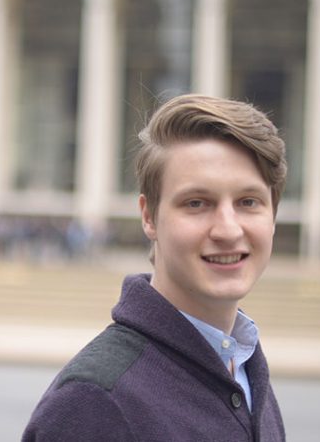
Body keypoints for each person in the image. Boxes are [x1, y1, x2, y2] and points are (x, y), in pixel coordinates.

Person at [23, 94, 288, 441]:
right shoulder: (96, 402)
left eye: (248, 202)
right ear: (149, 217)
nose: (228, 229)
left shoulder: (245, 372)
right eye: (197, 203)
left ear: (273, 214)